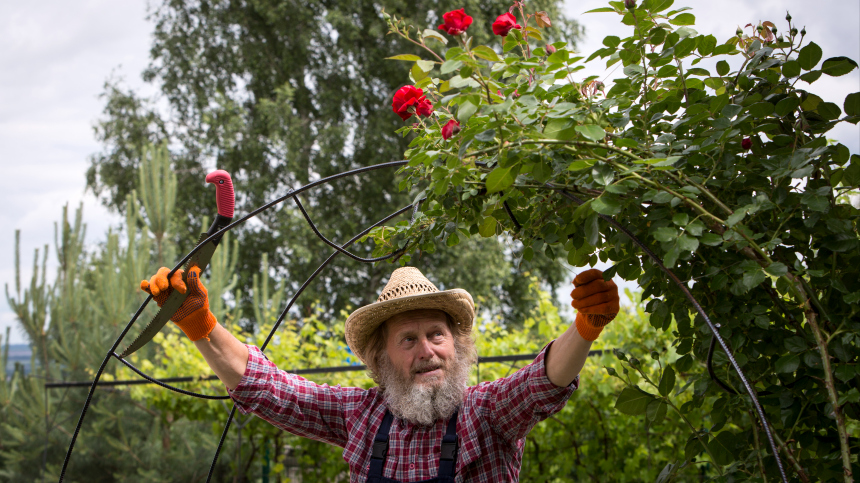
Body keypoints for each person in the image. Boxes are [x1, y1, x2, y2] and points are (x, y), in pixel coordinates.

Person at [141, 265, 619, 482]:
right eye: (407, 340)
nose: (427, 350)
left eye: (437, 334)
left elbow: (543, 381)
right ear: (384, 358)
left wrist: (583, 328)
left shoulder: (488, 412)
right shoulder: (360, 415)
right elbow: (270, 390)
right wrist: (200, 325)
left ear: (457, 345)